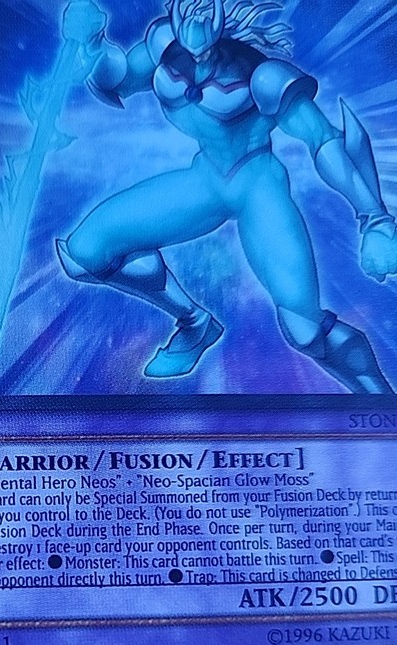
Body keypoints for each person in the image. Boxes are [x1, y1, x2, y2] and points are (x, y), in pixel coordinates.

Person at [56, 0, 397, 392]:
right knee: (85, 251)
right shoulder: (162, 48)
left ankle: (381, 403)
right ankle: (194, 323)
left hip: (258, 188)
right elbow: (116, 78)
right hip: (206, 181)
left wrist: (375, 220)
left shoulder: (263, 76)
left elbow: (323, 141)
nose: (197, 13)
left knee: (305, 330)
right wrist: (92, 43)